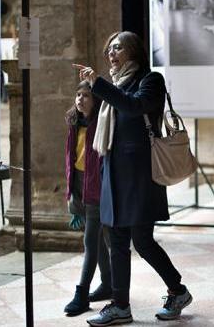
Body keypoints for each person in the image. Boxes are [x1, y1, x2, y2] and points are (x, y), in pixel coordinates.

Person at [74, 31, 192, 326]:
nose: (111, 53)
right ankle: (120, 305)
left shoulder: (150, 81)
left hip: (140, 174)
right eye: (110, 48)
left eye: (118, 48)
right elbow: (111, 122)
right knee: (117, 239)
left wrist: (97, 84)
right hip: (114, 172)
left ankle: (178, 291)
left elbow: (134, 105)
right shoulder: (114, 85)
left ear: (134, 52)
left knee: (142, 239)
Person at [63, 81, 112, 317]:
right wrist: (72, 197)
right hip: (80, 187)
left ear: (96, 101)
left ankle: (81, 294)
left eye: (86, 96)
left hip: (96, 189)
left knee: (90, 241)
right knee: (98, 239)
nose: (80, 99)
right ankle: (109, 282)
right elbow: (70, 159)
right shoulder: (75, 123)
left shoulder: (101, 123)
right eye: (78, 95)